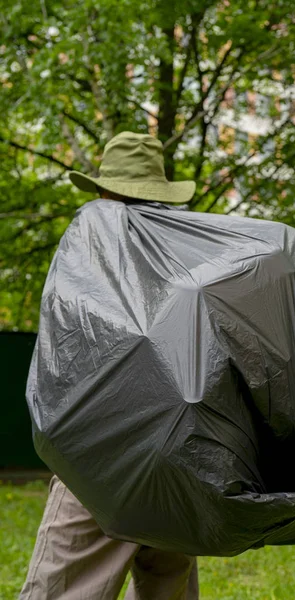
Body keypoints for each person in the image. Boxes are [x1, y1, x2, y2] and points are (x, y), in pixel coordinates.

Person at [20, 132, 199, 600]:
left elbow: (67, 348)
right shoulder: (189, 260)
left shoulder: (89, 248)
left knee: (64, 585)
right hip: (177, 454)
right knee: (168, 582)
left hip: (102, 452)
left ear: (106, 190)